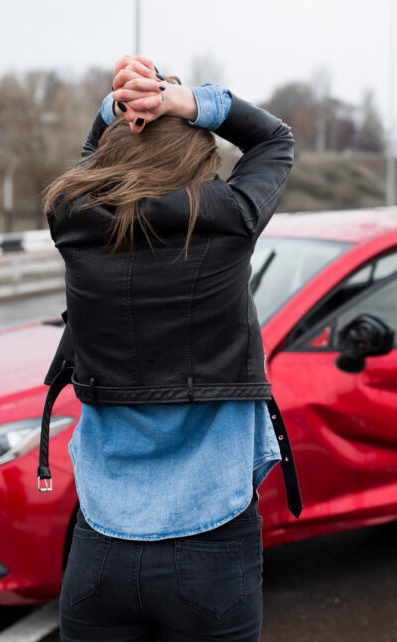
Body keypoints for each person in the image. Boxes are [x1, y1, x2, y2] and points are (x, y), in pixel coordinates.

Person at [38, 55, 302, 642]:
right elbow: (273, 139)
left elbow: (89, 163)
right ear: (199, 160)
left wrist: (121, 105)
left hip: (100, 546)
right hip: (212, 546)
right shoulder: (229, 221)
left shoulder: (73, 222)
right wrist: (184, 101)